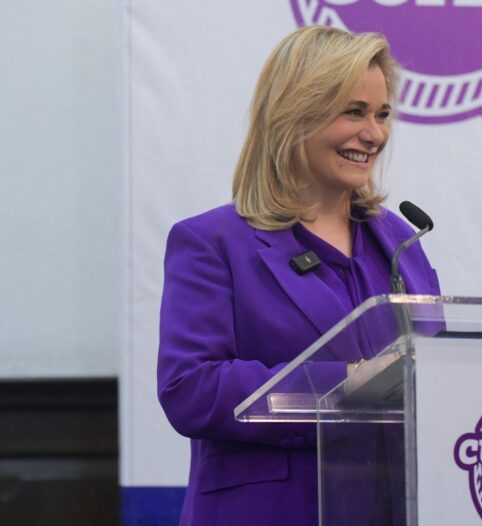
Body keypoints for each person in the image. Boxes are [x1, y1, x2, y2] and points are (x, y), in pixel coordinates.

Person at [157, 26, 440, 526]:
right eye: (353, 112)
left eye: (381, 115)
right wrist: (348, 384)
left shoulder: (401, 240)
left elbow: (432, 375)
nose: (374, 134)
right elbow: (190, 389)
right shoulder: (213, 243)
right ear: (295, 114)